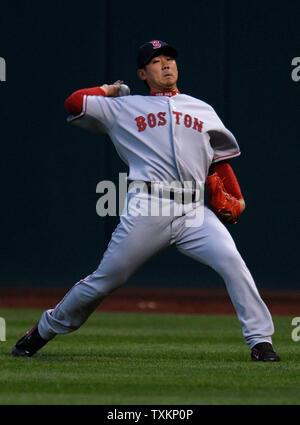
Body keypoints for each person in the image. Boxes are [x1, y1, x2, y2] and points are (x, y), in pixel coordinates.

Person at [12, 40, 280, 361]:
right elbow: (74, 103)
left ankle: (260, 342)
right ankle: (43, 330)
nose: (166, 65)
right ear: (142, 72)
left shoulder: (202, 108)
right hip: (148, 207)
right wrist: (109, 91)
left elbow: (218, 162)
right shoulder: (124, 108)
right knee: (105, 281)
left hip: (194, 211)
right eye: (156, 61)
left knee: (233, 263)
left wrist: (235, 195)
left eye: (169, 59)